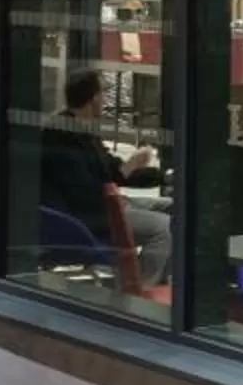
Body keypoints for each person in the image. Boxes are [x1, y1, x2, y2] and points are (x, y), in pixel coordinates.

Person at [38, 69, 170, 286]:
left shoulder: (84, 132)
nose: (104, 100)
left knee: (172, 207)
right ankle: (138, 291)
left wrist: (163, 177)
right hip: (89, 217)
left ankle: (160, 283)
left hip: (108, 204)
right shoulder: (62, 136)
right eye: (102, 94)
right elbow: (86, 194)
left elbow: (115, 171)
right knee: (162, 228)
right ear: (94, 98)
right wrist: (131, 166)